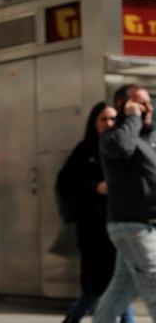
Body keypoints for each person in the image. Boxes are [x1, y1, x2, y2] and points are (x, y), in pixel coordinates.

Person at [57, 102, 133, 323]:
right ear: (94, 123)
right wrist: (94, 188)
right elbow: (67, 185)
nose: (109, 124)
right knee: (96, 286)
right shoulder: (84, 151)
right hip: (94, 228)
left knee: (118, 283)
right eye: (103, 119)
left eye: (113, 119)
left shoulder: (124, 148)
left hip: (122, 224)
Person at [94, 85, 156, 322]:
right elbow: (122, 147)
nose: (147, 107)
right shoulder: (114, 136)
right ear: (124, 106)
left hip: (147, 223)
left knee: (121, 291)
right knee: (154, 284)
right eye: (140, 102)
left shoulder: (148, 137)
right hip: (133, 225)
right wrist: (132, 118)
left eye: (148, 101)